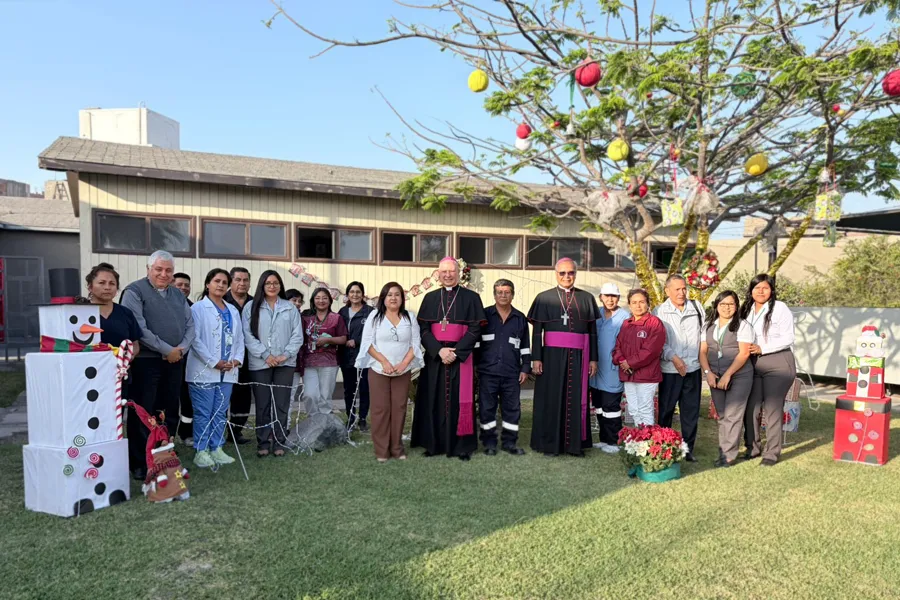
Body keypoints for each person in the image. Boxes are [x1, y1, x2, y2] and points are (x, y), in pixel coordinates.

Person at [121, 250, 195, 480]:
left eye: (168, 270)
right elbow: (139, 328)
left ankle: (164, 458)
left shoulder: (177, 294)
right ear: (148, 269)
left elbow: (190, 325)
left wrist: (179, 349)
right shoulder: (134, 291)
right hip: (147, 362)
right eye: (159, 269)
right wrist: (166, 350)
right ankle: (140, 463)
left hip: (174, 361)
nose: (164, 274)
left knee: (169, 411)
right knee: (144, 412)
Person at [412, 257, 486, 460]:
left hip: (460, 358)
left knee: (459, 401)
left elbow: (475, 328)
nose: (447, 275)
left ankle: (462, 446)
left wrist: (456, 352)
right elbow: (424, 329)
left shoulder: (471, 298)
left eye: (451, 271)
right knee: (432, 399)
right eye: (443, 271)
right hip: (436, 358)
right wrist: (439, 351)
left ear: (458, 272)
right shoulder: (430, 298)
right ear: (438, 274)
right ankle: (433, 443)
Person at [527, 258, 599, 457]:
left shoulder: (586, 298)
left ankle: (574, 445)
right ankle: (550, 444)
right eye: (563, 273)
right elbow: (537, 332)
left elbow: (593, 332)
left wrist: (594, 359)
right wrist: (536, 358)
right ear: (556, 274)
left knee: (576, 398)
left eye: (571, 273)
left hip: (579, 356)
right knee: (551, 398)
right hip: (550, 356)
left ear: (576, 273)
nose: (567, 277)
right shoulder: (544, 297)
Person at [356, 282, 423, 462]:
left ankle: (397, 448)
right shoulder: (374, 317)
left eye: (397, 294)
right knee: (380, 409)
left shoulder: (410, 317)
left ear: (402, 298)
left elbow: (415, 344)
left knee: (399, 409)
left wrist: (403, 364)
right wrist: (384, 362)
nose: (393, 298)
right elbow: (367, 344)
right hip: (379, 370)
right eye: (389, 295)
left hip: (403, 370)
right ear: (383, 298)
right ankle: (382, 451)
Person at [187, 268, 245, 468]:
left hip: (228, 371)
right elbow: (194, 340)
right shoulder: (197, 309)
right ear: (207, 284)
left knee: (220, 412)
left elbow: (239, 339)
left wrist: (236, 360)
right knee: (203, 412)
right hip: (204, 371)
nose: (220, 285)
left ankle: (217, 448)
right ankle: (201, 451)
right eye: (216, 281)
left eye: (224, 282)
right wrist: (214, 362)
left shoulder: (232, 310)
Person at [242, 270, 303, 458]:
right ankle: (262, 441)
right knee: (262, 404)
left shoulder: (289, 308)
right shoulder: (251, 307)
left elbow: (297, 335)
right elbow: (247, 335)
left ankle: (279, 441)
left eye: (275, 282)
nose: (272, 286)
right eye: (268, 283)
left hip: (285, 363)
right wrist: (266, 355)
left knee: (281, 403)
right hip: (260, 363)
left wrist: (285, 355)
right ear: (262, 285)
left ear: (280, 285)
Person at [740, 274, 796, 466]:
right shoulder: (746, 309)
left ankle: (772, 453)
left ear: (771, 290)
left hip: (777, 363)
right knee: (751, 408)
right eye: (757, 288)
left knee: (772, 409)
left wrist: (763, 348)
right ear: (751, 290)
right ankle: (753, 448)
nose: (761, 291)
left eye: (765, 288)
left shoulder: (779, 308)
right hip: (753, 364)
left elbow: (789, 337)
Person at [699, 290, 754, 468]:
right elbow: (702, 352)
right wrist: (708, 373)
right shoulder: (708, 325)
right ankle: (723, 451)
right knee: (722, 415)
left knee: (733, 415)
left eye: (731, 304)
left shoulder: (743, 325)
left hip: (739, 376)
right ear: (716, 305)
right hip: (715, 375)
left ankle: (729, 455)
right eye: (723, 304)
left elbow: (744, 353)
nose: (726, 307)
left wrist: (728, 375)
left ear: (736, 306)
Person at [477, 279, 530, 456]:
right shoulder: (484, 316)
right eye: (499, 292)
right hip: (487, 373)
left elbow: (525, 346)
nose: (503, 295)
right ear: (494, 294)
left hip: (511, 373)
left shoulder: (520, 318)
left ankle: (509, 443)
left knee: (512, 410)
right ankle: (489, 443)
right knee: (486, 408)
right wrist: (476, 368)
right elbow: (476, 344)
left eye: (507, 292)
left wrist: (525, 368)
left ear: (512, 294)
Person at [655, 274, 705, 462]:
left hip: (692, 369)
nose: (681, 293)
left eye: (684, 288)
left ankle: (687, 449)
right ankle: (663, 447)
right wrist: (674, 358)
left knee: (690, 412)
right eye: (677, 289)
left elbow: (703, 337)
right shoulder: (659, 311)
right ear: (667, 291)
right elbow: (658, 342)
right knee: (666, 411)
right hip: (670, 370)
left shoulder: (697, 308)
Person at [85, 262, 142, 400]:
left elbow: (135, 344)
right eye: (102, 283)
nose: (107, 287)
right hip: (88, 376)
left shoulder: (125, 313)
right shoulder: (80, 313)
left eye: (112, 283)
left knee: (116, 416)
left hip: (118, 375)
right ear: (90, 286)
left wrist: (125, 358)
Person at [612, 289, 666, 426]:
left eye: (642, 302)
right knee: (634, 409)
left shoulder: (654, 323)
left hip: (647, 375)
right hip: (629, 375)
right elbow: (617, 345)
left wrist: (629, 362)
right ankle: (639, 441)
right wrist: (621, 361)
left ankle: (648, 443)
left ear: (648, 304)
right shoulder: (626, 323)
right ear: (629, 305)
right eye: (634, 302)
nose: (638, 305)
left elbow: (650, 350)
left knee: (645, 409)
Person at [589, 282, 630, 454]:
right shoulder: (596, 314)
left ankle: (614, 441)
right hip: (595, 370)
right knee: (598, 405)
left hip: (612, 370)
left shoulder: (624, 317)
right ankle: (604, 439)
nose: (610, 299)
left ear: (618, 298)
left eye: (613, 296)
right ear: (601, 297)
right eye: (606, 296)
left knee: (611, 406)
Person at [302, 288, 348, 418]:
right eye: (317, 298)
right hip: (309, 362)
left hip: (329, 362)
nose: (321, 301)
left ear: (330, 300)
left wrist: (328, 339)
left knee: (325, 396)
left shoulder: (336, 318)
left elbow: (343, 339)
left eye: (324, 298)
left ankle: (325, 422)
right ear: (313, 300)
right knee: (310, 394)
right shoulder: (306, 318)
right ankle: (313, 419)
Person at [224, 267, 253, 445]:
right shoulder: (221, 301)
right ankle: (217, 431)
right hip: (225, 358)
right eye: (238, 280)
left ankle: (236, 432)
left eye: (245, 280)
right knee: (223, 395)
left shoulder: (255, 302)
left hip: (249, 358)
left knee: (243, 395)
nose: (242, 283)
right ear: (231, 281)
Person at [338, 282, 373, 431]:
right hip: (346, 357)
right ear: (347, 295)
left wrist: (357, 341)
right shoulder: (342, 312)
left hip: (365, 357)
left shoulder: (370, 312)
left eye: (358, 292)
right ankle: (350, 418)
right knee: (349, 389)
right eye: (352, 292)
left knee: (365, 389)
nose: (355, 295)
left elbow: (374, 334)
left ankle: (363, 419)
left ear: (363, 294)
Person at [173, 272, 194, 444]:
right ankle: (167, 436)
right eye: (179, 284)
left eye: (186, 285)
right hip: (167, 359)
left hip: (188, 362)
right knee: (170, 401)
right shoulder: (163, 305)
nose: (183, 288)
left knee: (188, 400)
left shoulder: (193, 307)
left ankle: (186, 433)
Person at [285, 289, 305, 404]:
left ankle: (285, 422)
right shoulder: (279, 317)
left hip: (296, 363)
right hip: (278, 362)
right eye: (294, 300)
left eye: (300, 301)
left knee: (291, 396)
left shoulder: (302, 318)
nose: (297, 303)